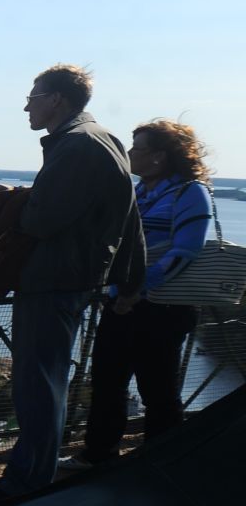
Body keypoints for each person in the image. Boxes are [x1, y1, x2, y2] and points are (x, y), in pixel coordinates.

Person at [0, 64, 143, 506]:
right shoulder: (97, 141)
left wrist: (17, 200)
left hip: (53, 279)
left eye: (34, 95)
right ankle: (29, 475)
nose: (27, 104)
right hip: (66, 278)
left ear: (57, 100)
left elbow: (42, 220)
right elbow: (128, 219)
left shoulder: (79, 146)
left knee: (38, 384)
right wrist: (130, 277)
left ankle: (27, 486)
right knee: (44, 382)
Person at [69, 120, 215, 466]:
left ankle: (161, 461)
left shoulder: (191, 192)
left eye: (137, 148)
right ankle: (99, 454)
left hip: (163, 308)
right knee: (107, 381)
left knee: (157, 390)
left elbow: (185, 252)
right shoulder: (140, 192)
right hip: (122, 301)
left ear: (160, 157)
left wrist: (136, 289)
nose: (130, 154)